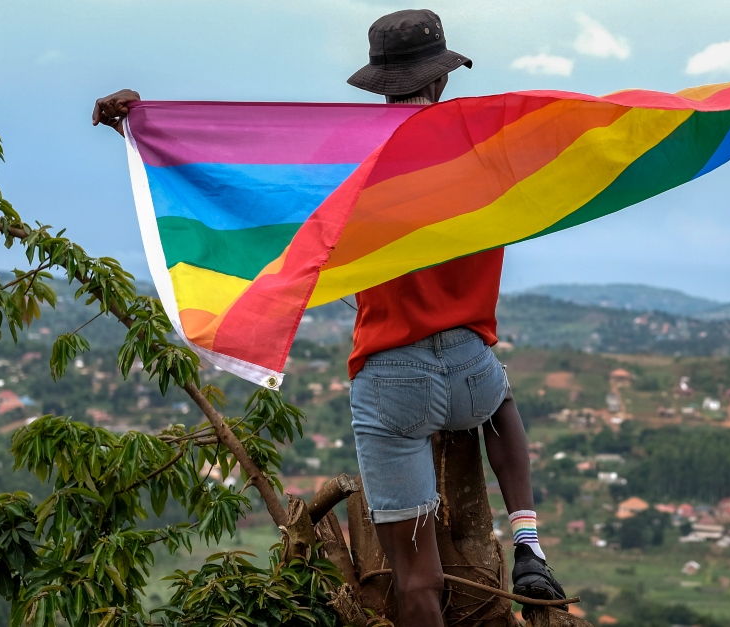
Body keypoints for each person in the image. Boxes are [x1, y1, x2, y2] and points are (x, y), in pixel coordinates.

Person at [92, 9, 565, 626]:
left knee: (416, 584)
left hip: (394, 382)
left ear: (379, 86)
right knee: (501, 405)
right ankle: (528, 541)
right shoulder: (481, 146)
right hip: (471, 370)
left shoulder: (355, 158)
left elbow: (248, 177)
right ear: (443, 80)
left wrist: (141, 123)